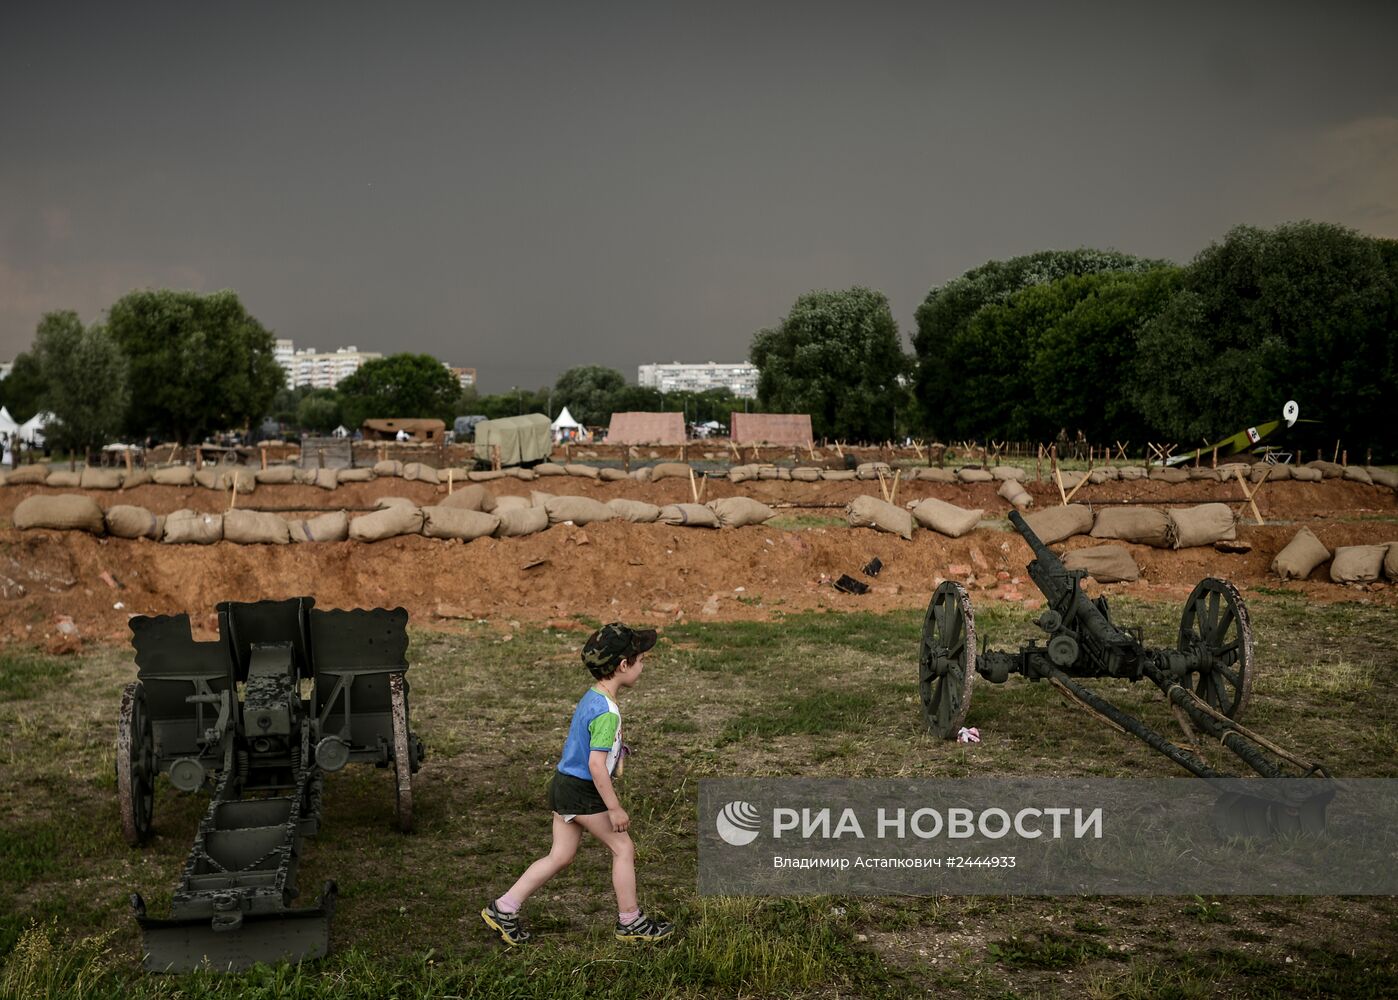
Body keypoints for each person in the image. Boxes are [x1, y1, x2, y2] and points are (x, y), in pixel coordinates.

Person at [481, 623, 674, 945]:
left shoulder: (593, 697)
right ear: (624, 666)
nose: (643, 665)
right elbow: (596, 766)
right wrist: (614, 808)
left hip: (564, 785)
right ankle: (631, 922)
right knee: (623, 847)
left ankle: (504, 908)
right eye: (641, 659)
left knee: (560, 856)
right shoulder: (608, 712)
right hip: (582, 792)